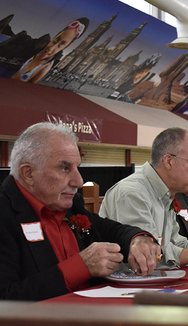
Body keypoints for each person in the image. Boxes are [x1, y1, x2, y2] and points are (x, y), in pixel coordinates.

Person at [0, 122, 161, 301]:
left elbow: (112, 230)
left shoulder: (71, 205)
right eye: (64, 168)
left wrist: (139, 240)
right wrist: (80, 267)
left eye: (78, 167)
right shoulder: (5, 214)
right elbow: (6, 298)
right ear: (28, 173)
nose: (78, 181)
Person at [99, 128, 188, 268]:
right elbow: (147, 256)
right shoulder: (133, 193)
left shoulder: (166, 193)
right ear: (169, 161)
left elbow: (175, 242)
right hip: (124, 287)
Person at [12, 18, 89, 83]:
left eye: (62, 44)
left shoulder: (46, 65)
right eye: (56, 39)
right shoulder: (33, 49)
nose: (50, 49)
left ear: (68, 45)